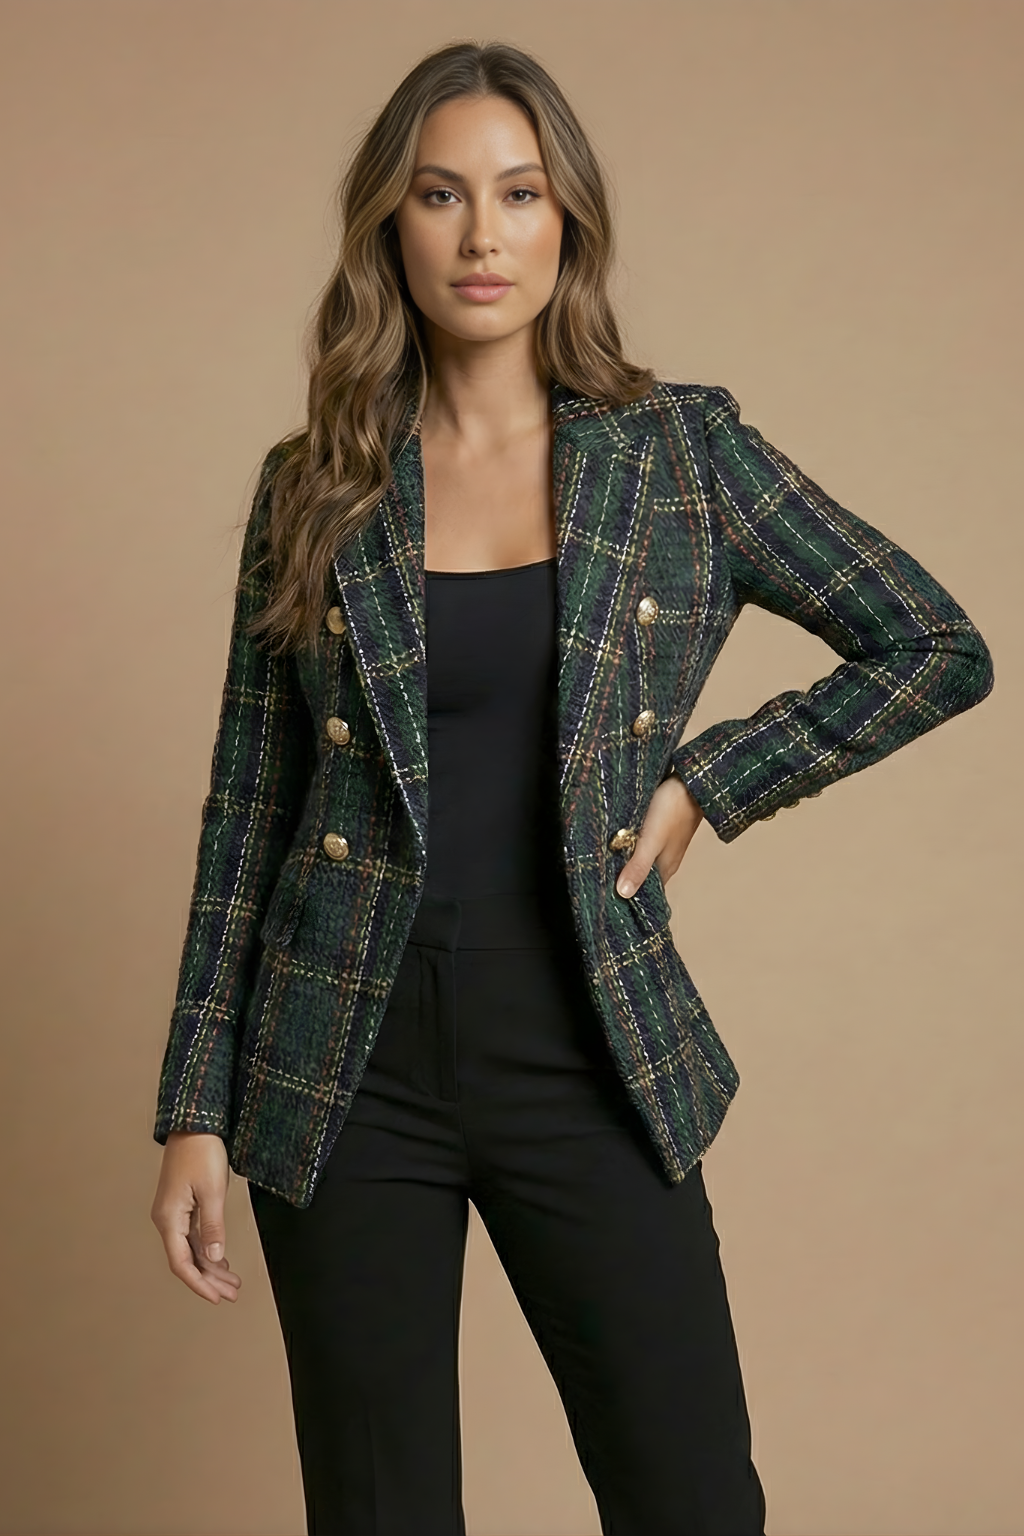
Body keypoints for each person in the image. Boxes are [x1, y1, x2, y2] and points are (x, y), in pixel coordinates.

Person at [149, 39, 994, 1536]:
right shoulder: (317, 483)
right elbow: (248, 803)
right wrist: (192, 1110)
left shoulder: (679, 457)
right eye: (441, 195)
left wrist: (711, 781)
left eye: (520, 194)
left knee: (691, 1500)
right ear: (388, 226)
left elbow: (935, 644)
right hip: (339, 1063)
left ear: (569, 221)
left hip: (587, 1047)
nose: (482, 235)